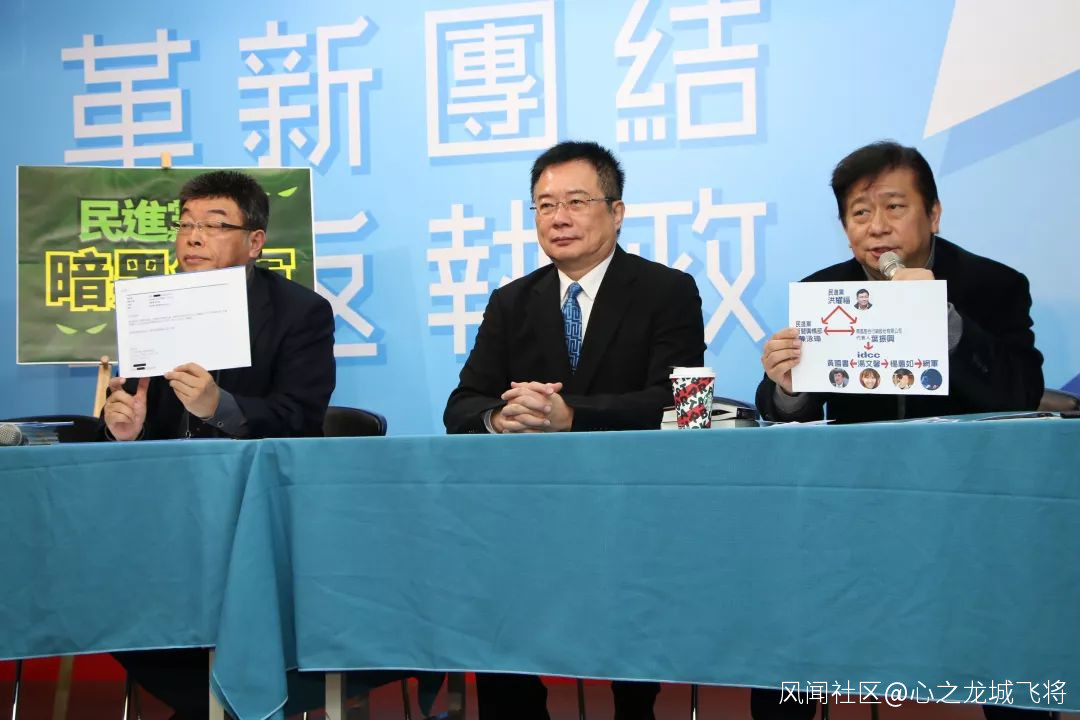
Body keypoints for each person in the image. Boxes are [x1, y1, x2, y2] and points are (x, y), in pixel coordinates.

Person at [753, 141, 1045, 720]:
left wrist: (945, 322)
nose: (877, 227)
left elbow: (1021, 391)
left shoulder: (993, 285)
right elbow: (783, 410)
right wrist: (788, 385)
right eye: (860, 213)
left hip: (970, 507)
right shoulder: (825, 292)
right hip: (859, 507)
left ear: (933, 213)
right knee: (784, 626)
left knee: (1013, 639)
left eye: (894, 207)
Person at [444, 141, 706, 720]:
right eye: (545, 205)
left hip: (630, 505)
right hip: (529, 509)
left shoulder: (666, 290)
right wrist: (500, 419)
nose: (558, 218)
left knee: (630, 648)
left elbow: (677, 400)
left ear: (616, 211)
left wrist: (571, 416)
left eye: (576, 202)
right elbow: (462, 405)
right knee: (491, 593)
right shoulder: (511, 302)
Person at [102, 170, 337, 720]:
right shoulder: (154, 305)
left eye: (214, 225)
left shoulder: (300, 312)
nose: (193, 237)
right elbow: (137, 415)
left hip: (254, 510)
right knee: (104, 575)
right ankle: (204, 701)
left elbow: (301, 417)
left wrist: (221, 407)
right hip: (168, 512)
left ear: (254, 241)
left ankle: (235, 700)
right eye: (185, 224)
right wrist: (125, 429)